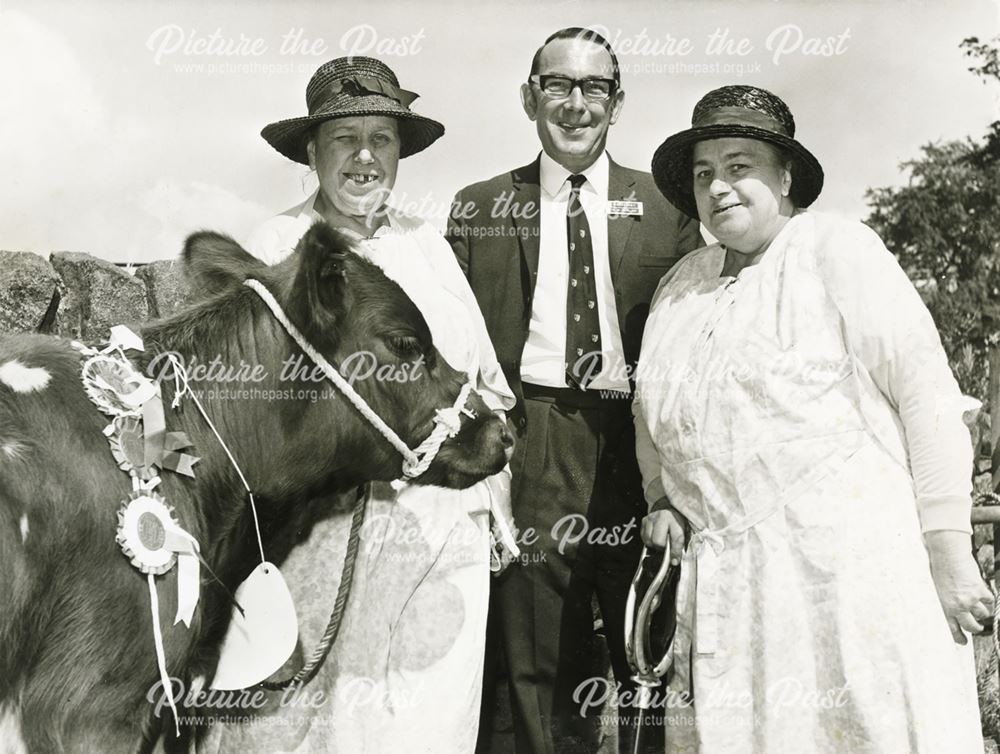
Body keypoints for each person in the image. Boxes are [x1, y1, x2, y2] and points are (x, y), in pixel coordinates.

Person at [634, 84, 993, 753]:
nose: (718, 187)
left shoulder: (836, 250)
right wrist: (660, 496)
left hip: (847, 582)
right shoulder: (680, 286)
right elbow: (647, 415)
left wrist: (948, 551)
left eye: (740, 166)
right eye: (704, 173)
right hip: (730, 595)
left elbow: (929, 397)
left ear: (786, 174)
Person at [198, 56, 516, 754]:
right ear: (311, 152)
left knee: (424, 722)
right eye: (344, 138)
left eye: (382, 137)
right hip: (317, 536)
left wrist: (497, 499)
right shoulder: (276, 248)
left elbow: (484, 384)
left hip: (436, 542)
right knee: (302, 721)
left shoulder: (429, 248)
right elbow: (239, 407)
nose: (365, 156)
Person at [447, 27, 702, 753]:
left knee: (643, 646)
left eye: (594, 87)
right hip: (530, 439)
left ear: (617, 103)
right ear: (530, 97)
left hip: (639, 444)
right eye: (558, 84)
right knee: (533, 653)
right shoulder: (478, 207)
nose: (576, 102)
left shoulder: (670, 208)